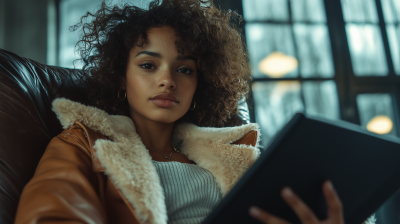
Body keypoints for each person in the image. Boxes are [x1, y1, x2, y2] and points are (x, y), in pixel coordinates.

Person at [14, 0, 369, 224]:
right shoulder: (82, 143)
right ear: (121, 78)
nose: (168, 80)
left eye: (184, 69)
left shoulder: (236, 154)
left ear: (200, 83)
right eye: (149, 65)